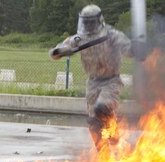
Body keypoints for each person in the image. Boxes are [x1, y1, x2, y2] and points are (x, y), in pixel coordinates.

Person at [50, 4, 143, 153]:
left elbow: (128, 49)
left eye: (91, 21)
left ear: (98, 20)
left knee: (103, 108)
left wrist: (137, 49)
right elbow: (60, 49)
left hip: (111, 81)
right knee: (93, 121)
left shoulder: (111, 35)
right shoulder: (80, 38)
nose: (88, 25)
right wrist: (59, 51)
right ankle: (103, 154)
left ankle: (113, 134)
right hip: (92, 82)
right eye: (85, 21)